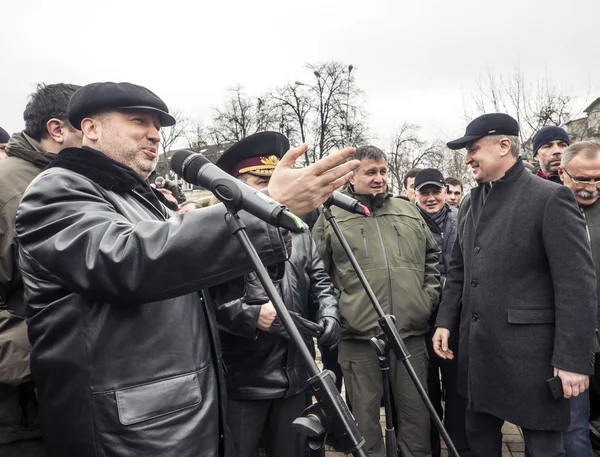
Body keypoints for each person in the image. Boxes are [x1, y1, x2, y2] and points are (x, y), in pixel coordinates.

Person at [15, 81, 360, 457]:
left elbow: (201, 289)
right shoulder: (55, 190)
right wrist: (266, 203)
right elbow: (126, 262)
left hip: (178, 418)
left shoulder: (141, 200)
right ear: (92, 128)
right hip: (127, 432)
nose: (154, 135)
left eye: (158, 127)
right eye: (138, 121)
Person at [433, 113, 597, 457]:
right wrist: (446, 321)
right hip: (479, 353)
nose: (467, 158)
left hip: (532, 361)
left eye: (473, 149)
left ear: (504, 145)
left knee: (544, 449)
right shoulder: (469, 203)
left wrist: (572, 360)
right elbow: (460, 271)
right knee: (479, 440)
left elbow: (577, 285)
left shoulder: (550, 198)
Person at [211, 131, 341, 457]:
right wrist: (251, 316)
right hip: (244, 379)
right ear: (235, 185)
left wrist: (328, 313)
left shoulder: (298, 230)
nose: (271, 194)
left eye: (275, 183)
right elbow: (204, 300)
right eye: (260, 183)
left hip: (296, 375)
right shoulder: (217, 234)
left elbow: (320, 279)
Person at [313, 145, 441, 457]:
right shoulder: (332, 215)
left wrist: (426, 299)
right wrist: (340, 310)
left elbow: (432, 260)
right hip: (358, 339)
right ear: (351, 175)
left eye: (383, 171)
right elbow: (317, 272)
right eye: (371, 172)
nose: (379, 178)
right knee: (365, 423)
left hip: (409, 336)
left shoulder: (407, 210)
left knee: (416, 418)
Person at [0, 82, 81, 457]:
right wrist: (50, 358)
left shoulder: (79, 183)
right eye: (91, 125)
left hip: (76, 399)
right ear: (57, 129)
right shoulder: (8, 191)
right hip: (24, 415)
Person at [413, 169, 470, 457]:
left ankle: (457, 444)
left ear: (445, 192)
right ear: (415, 194)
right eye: (425, 192)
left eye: (436, 191)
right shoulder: (408, 222)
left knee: (457, 387)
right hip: (421, 317)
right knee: (425, 389)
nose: (432, 198)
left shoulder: (461, 219)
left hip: (456, 316)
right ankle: (430, 446)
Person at [558, 140, 600, 456]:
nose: (591, 187)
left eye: (598, 179)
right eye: (582, 179)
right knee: (573, 427)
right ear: (562, 173)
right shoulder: (549, 208)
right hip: (571, 343)